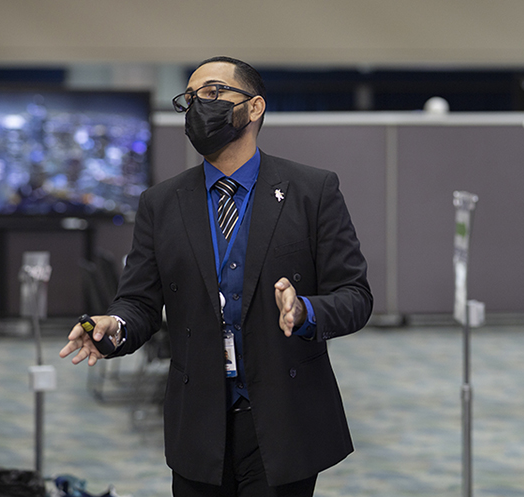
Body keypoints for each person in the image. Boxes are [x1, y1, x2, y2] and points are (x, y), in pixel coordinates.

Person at [60, 56, 373, 497]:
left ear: (255, 107)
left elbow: (356, 296)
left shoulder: (311, 191)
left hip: (284, 418)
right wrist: (116, 326)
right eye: (188, 99)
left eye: (210, 93)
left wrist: (305, 311)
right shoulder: (161, 203)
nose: (197, 107)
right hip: (198, 421)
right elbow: (139, 304)